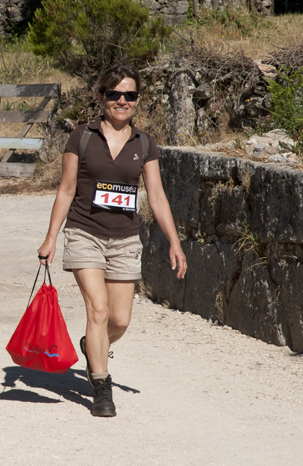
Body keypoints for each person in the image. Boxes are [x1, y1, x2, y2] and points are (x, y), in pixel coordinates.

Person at [37, 64, 187, 418]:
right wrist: (51, 239)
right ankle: (101, 386)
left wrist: (174, 242)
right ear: (101, 96)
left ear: (137, 100)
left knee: (118, 320)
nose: (122, 101)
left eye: (130, 95)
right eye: (115, 94)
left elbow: (156, 196)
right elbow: (67, 189)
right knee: (99, 310)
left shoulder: (145, 143)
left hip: (124, 239)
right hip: (84, 232)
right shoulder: (82, 136)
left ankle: (92, 346)